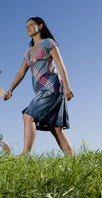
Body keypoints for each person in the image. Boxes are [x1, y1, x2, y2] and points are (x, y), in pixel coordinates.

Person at [5, 17, 74, 157]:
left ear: (40, 26)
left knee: (28, 116)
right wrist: (10, 89)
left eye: (31, 25)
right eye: (26, 26)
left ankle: (25, 154)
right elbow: (20, 73)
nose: (28, 28)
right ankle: (73, 161)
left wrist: (67, 87)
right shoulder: (27, 53)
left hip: (52, 87)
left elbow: (61, 65)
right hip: (41, 91)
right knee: (56, 129)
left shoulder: (48, 43)